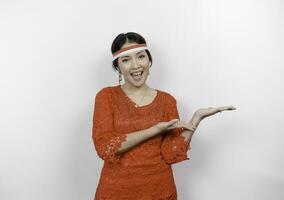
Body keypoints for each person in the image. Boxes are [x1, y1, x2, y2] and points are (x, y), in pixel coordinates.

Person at [92, 32, 236, 200]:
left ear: (149, 60)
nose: (135, 65)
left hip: (159, 191)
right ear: (117, 67)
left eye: (140, 56)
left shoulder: (167, 101)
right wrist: (154, 130)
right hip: (116, 192)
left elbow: (171, 154)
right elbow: (105, 147)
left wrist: (196, 118)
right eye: (126, 60)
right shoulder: (106, 97)